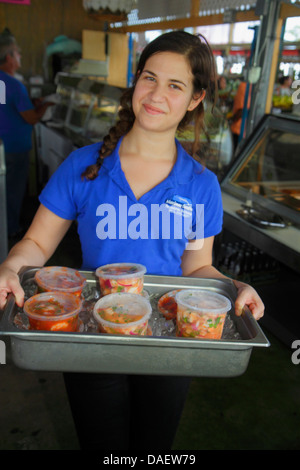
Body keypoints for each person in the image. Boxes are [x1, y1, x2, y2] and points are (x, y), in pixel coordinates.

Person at [0, 31, 264, 450]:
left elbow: (197, 268)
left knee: (154, 447)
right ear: (136, 81)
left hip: (172, 341)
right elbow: (36, 244)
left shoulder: (201, 185)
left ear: (194, 99)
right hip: (92, 337)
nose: (157, 94)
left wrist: (234, 287)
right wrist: (11, 267)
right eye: (149, 77)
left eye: (175, 85)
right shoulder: (84, 166)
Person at [0, 29, 53, 238]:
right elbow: (30, 118)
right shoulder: (14, 85)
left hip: (3, 145)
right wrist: (46, 105)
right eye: (18, 53)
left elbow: (6, 107)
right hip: (15, 147)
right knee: (12, 191)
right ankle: (11, 228)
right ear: (9, 57)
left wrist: (32, 105)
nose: (20, 57)